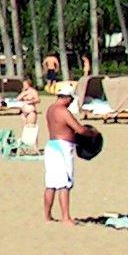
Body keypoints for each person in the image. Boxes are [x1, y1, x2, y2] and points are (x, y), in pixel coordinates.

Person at [42, 91, 92, 224]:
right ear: (67, 98)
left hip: (51, 145)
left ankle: (47, 216)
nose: (71, 102)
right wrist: (92, 133)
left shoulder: (50, 109)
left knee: (51, 184)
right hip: (62, 148)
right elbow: (79, 129)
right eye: (71, 99)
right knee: (64, 183)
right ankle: (66, 217)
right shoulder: (63, 111)